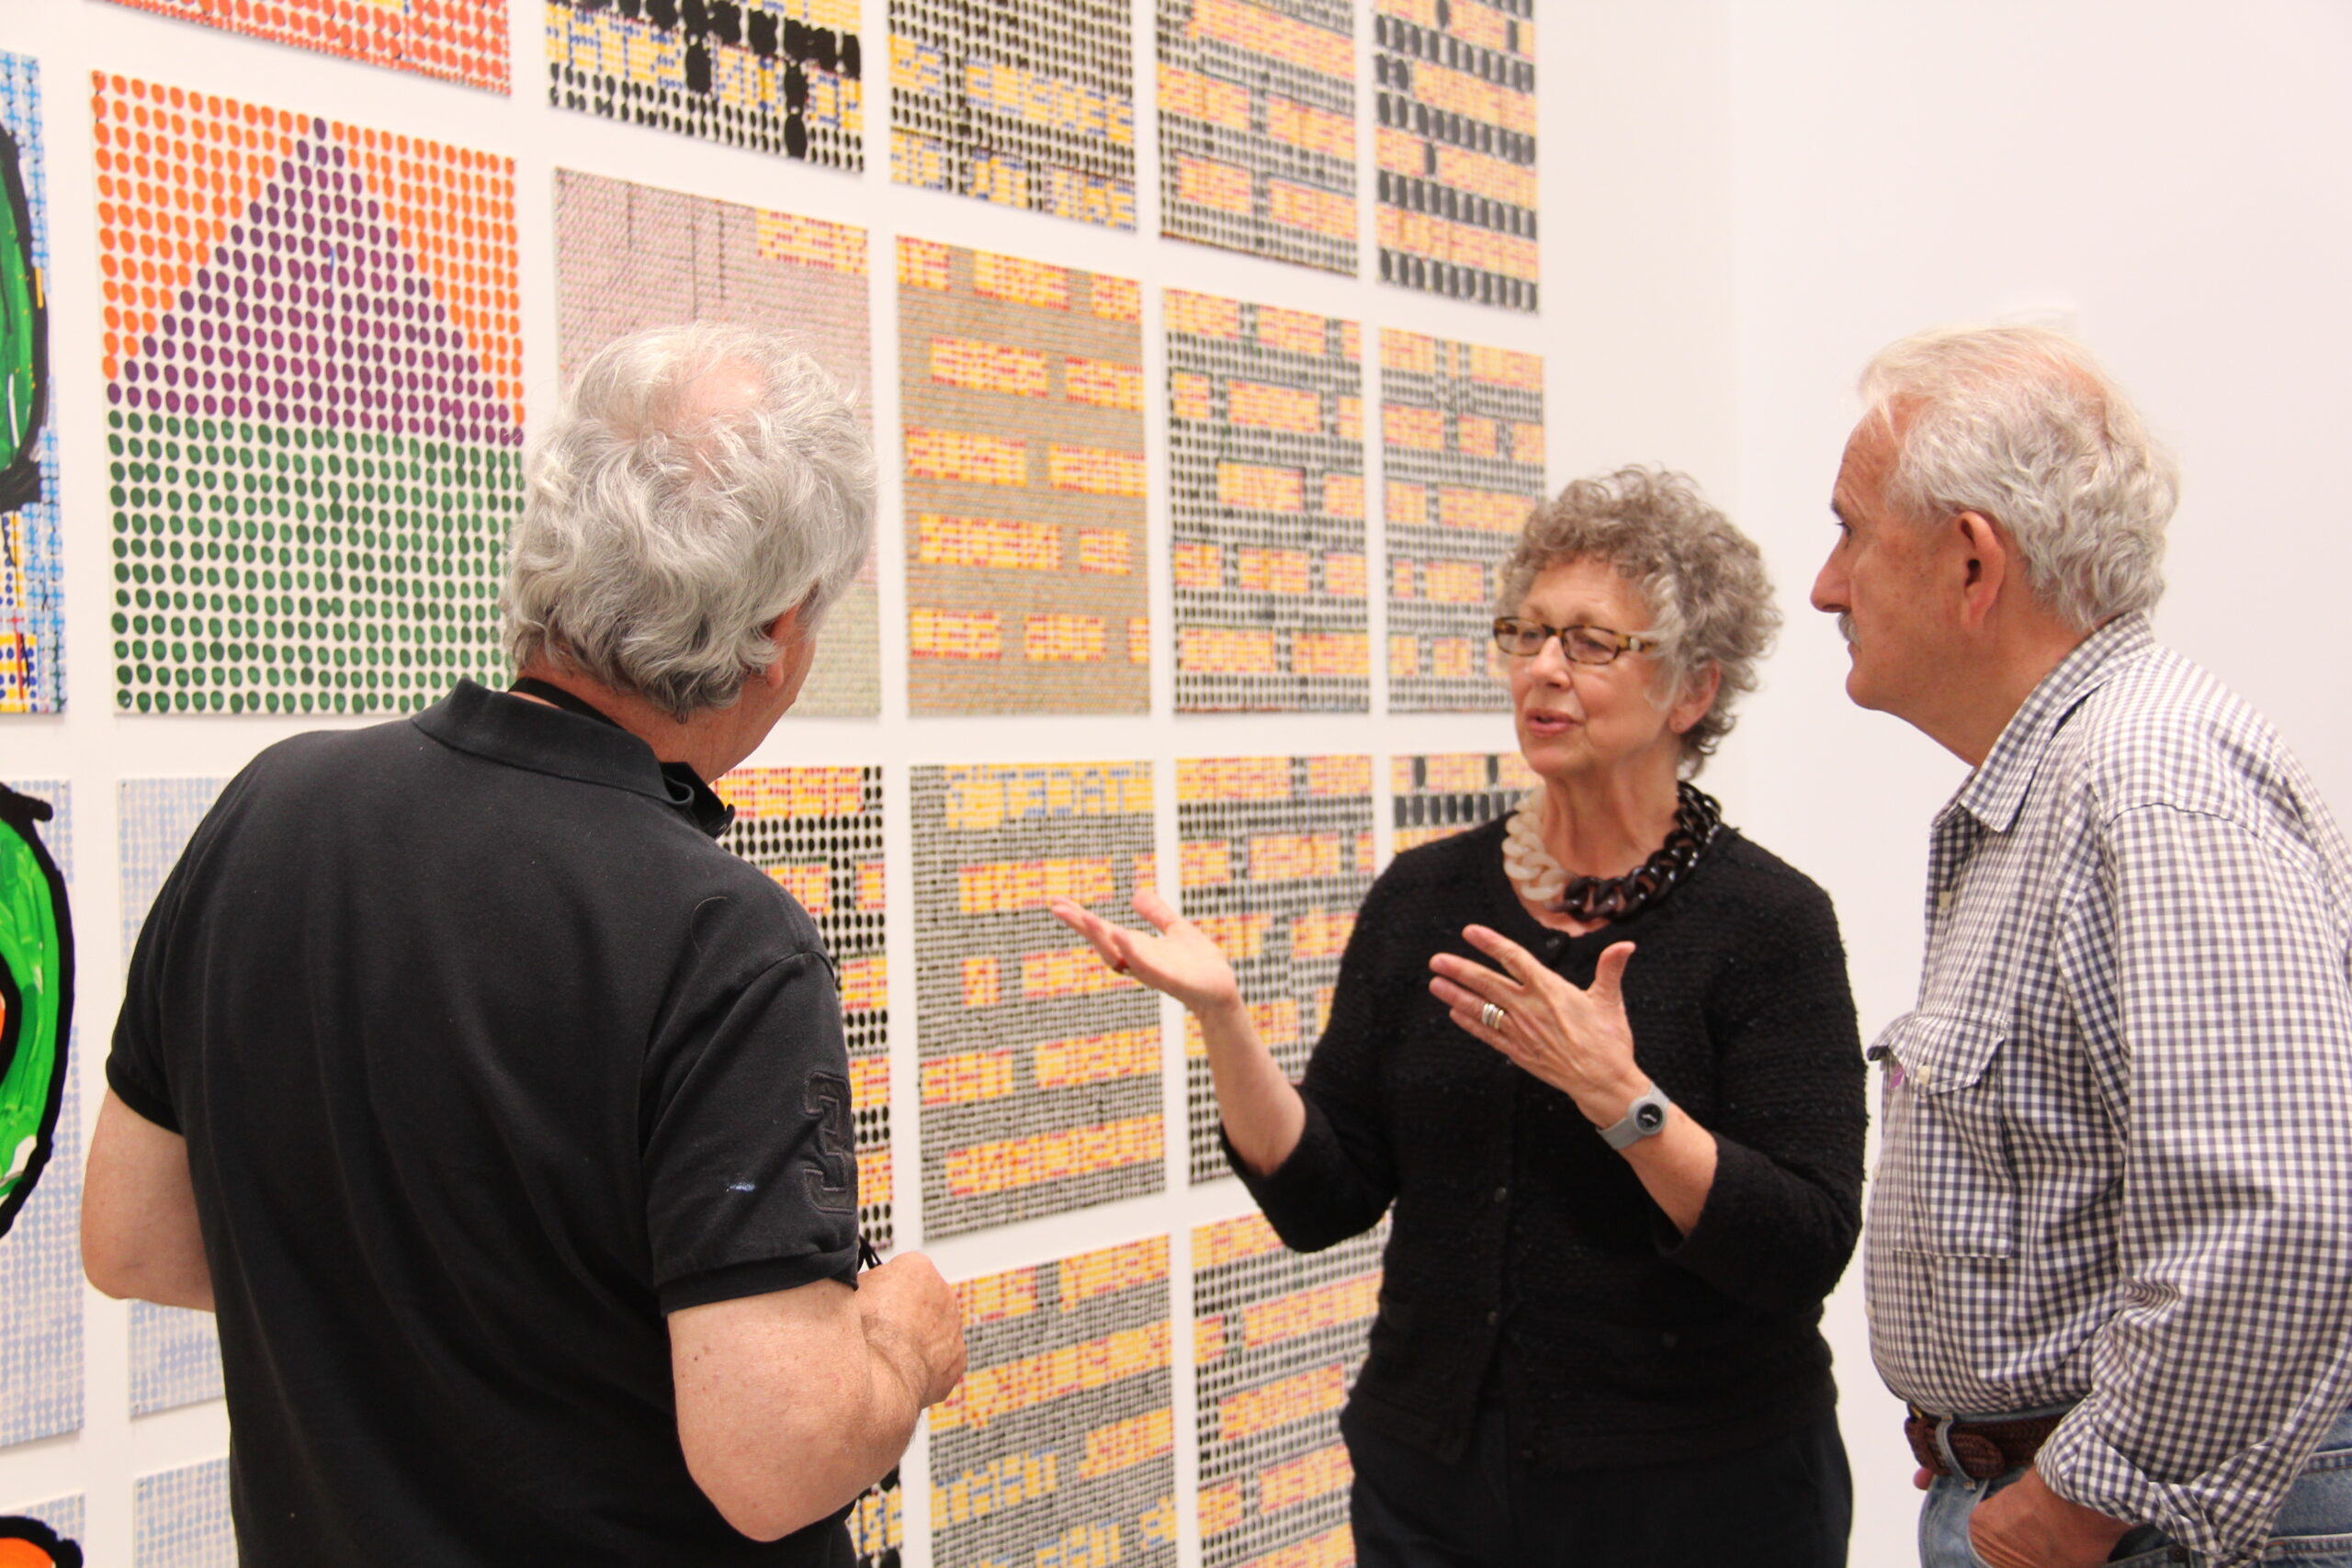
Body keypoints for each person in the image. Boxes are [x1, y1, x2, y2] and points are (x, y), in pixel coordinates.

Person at [80, 322, 965, 1567]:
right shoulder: (726, 941)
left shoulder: (270, 811)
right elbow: (770, 1460)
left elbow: (135, 1238)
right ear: (775, 635)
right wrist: (900, 1343)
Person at [1057, 468, 1867, 1566]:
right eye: (1524, 633)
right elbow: (1322, 1198)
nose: (1541, 669)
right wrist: (1224, 1022)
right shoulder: (1425, 897)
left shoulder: (1768, 922)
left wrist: (1619, 1099)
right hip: (1434, 1493)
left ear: (1690, 691)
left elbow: (1800, 1247)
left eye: (1589, 643)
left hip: (1701, 1499)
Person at [1815, 325, 2352, 1568]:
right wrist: (1978, 1414)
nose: (1827, 585)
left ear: (1969, 560)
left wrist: (2088, 1486)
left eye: (1851, 529)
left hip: (2141, 1531)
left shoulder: (2147, 780)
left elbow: (2282, 1207)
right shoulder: (2066, 782)